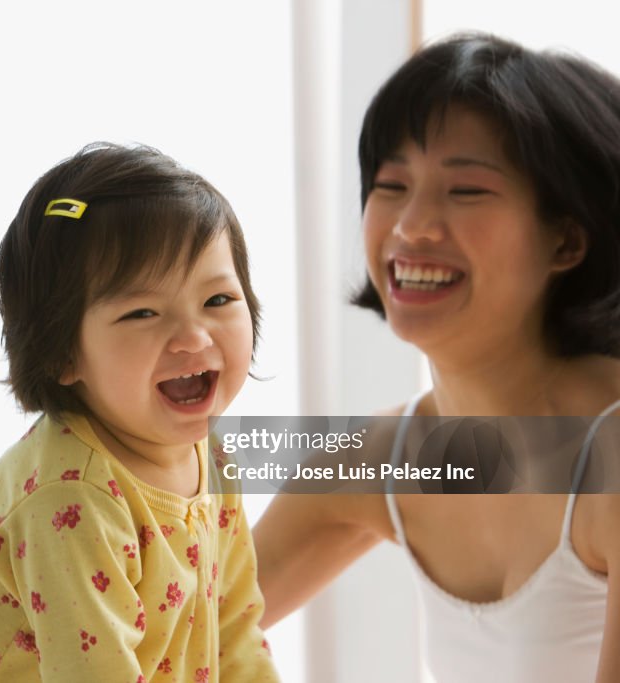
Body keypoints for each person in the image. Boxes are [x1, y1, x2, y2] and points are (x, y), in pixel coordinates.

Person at [0, 143, 280, 682]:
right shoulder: (74, 498)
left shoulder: (212, 457)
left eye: (218, 300)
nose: (192, 336)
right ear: (62, 354)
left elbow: (235, 634)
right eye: (142, 312)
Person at [253, 33, 620, 682]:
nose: (410, 226)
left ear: (565, 238)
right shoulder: (376, 456)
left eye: (466, 191)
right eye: (391, 184)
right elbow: (176, 629)